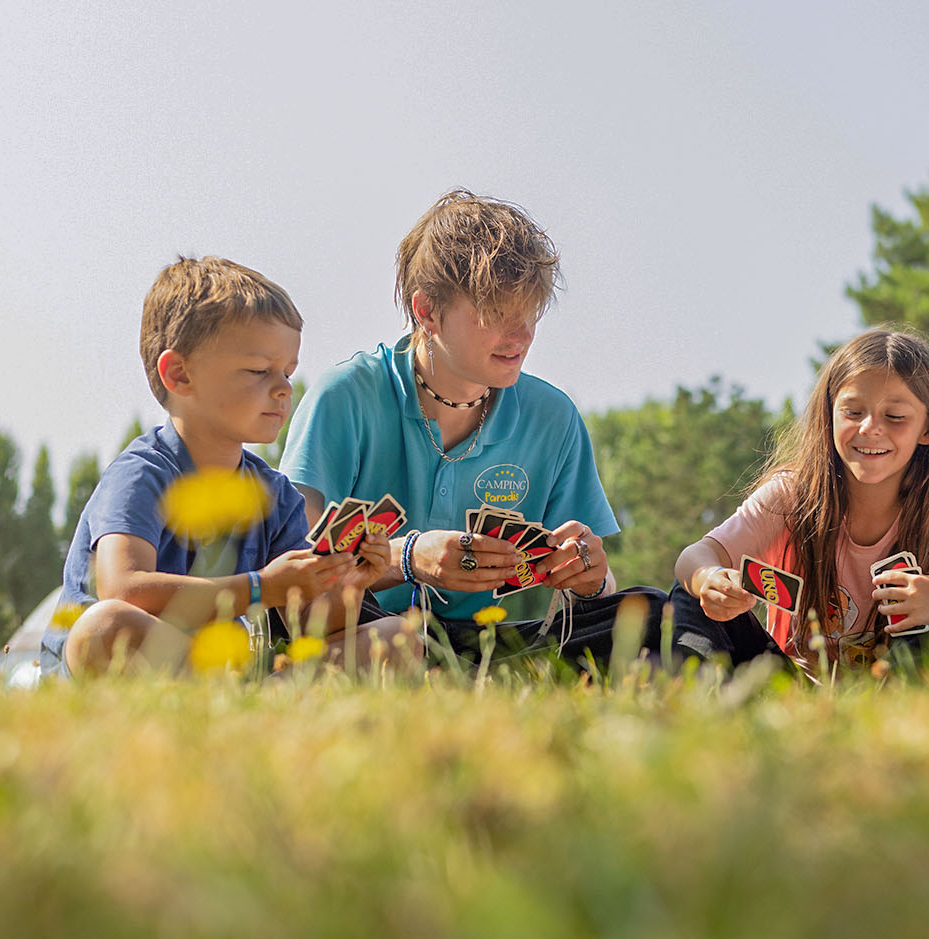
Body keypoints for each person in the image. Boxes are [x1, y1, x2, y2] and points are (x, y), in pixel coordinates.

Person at [280, 190, 665, 669]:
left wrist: (589, 577)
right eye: (498, 314)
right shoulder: (343, 397)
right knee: (400, 641)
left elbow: (597, 596)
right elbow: (294, 573)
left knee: (654, 616)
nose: (521, 335)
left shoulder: (555, 417)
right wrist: (407, 557)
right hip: (363, 632)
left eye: (531, 313)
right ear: (426, 311)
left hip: (485, 644)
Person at [51, 256, 406, 676]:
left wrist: (349, 582)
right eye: (259, 371)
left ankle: (253, 705)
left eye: (288, 372)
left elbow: (308, 623)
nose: (282, 390)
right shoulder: (142, 473)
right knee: (104, 627)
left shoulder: (274, 494)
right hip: (133, 669)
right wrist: (262, 588)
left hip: (224, 673)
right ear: (180, 375)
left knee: (397, 638)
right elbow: (123, 588)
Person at [670, 328, 929, 678]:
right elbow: (693, 556)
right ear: (829, 416)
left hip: (889, 694)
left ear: (928, 428)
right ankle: (688, 700)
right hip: (789, 687)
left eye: (895, 417)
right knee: (690, 589)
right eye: (853, 412)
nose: (870, 428)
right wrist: (712, 579)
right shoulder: (792, 495)